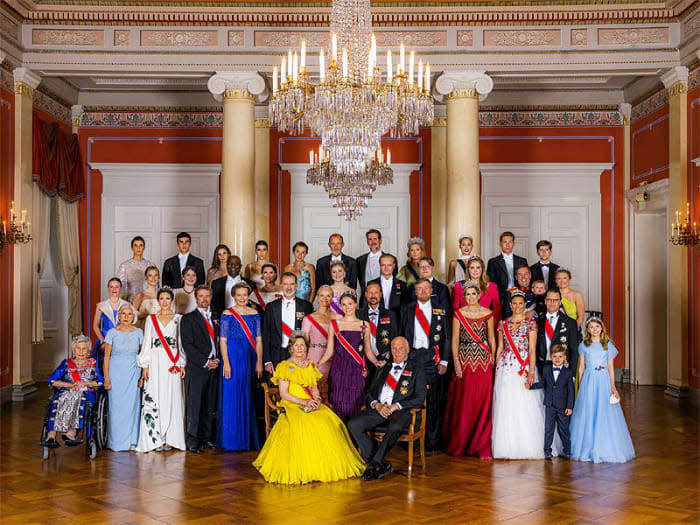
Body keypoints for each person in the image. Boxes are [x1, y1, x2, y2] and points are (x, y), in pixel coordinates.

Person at [253, 331, 366, 484]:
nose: (300, 349)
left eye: (303, 346)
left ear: (306, 348)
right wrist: (303, 402)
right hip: (293, 403)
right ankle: (307, 467)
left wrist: (317, 399)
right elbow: (284, 394)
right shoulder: (285, 367)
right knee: (305, 424)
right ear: (291, 348)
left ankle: (324, 465)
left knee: (327, 421)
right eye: (296, 346)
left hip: (310, 402)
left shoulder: (310, 365)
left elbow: (314, 388)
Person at [348, 337, 427, 481]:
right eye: (394, 349)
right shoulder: (383, 367)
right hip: (381, 409)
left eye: (400, 348)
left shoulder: (416, 369)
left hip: (402, 411)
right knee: (354, 424)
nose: (397, 352)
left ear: (407, 350)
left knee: (395, 426)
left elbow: (420, 398)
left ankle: (374, 464)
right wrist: (377, 405)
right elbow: (369, 394)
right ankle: (381, 463)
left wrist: (396, 406)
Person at [492, 292, 560, 459]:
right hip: (506, 367)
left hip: (523, 365)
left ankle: (529, 444)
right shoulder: (503, 324)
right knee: (506, 404)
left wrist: (530, 371)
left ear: (524, 305)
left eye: (520, 303)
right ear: (510, 305)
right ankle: (507, 446)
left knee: (526, 403)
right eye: (514, 303)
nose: (517, 306)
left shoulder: (531, 323)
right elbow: (500, 347)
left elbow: (532, 348)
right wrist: (496, 367)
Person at [442, 281, 496, 459]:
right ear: (463, 297)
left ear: (479, 295)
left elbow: (492, 339)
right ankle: (463, 441)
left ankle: (480, 443)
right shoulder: (458, 314)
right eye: (468, 294)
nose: (471, 297)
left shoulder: (488, 313)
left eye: (474, 294)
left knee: (482, 402)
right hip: (465, 361)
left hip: (483, 362)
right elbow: (455, 341)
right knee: (465, 402)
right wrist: (456, 363)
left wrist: (493, 358)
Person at [570, 318, 635, 463]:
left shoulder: (607, 346)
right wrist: (580, 387)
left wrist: (613, 386)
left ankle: (604, 446)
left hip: (603, 381)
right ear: (587, 330)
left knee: (603, 410)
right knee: (588, 410)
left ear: (602, 328)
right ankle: (587, 446)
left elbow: (611, 368)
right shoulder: (584, 346)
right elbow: (581, 368)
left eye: (597, 326)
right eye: (591, 327)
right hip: (589, 380)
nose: (594, 329)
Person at [400, 278, 450, 451]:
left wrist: (444, 360)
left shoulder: (440, 309)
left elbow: (447, 337)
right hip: (412, 357)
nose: (422, 291)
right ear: (415, 291)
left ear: (431, 291)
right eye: (419, 289)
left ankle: (432, 441)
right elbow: (400, 334)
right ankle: (411, 441)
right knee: (410, 398)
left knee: (433, 400)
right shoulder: (406, 309)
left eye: (426, 288)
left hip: (432, 358)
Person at [136, 288, 186, 453]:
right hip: (156, 362)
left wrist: (182, 363)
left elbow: (181, 343)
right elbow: (147, 343)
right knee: (155, 396)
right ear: (158, 301)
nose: (165, 301)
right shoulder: (151, 319)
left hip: (172, 364)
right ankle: (155, 439)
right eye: (162, 298)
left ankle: (171, 438)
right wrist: (145, 365)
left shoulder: (179, 319)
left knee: (173, 397)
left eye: (167, 298)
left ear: (172, 300)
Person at [319, 292, 383, 421]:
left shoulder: (364, 325)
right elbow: (329, 350)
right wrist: (317, 364)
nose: (347, 307)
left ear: (355, 305)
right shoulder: (334, 324)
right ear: (340, 307)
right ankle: (340, 438)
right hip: (339, 369)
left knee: (356, 404)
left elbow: (368, 350)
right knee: (338, 402)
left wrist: (376, 362)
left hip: (356, 370)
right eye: (343, 305)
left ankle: (354, 438)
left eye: (350, 304)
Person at [218, 282, 263, 451]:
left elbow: (259, 340)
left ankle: (246, 440)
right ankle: (231, 441)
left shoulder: (254, 314)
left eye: (245, 295)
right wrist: (226, 361)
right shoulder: (227, 314)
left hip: (249, 357)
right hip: (232, 358)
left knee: (247, 395)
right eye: (239, 295)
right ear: (233, 296)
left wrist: (259, 361)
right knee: (231, 396)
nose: (242, 298)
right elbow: (222, 340)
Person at [42, 335, 103, 449]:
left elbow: (100, 382)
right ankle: (51, 434)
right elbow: (52, 380)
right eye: (78, 348)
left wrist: (85, 384)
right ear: (73, 350)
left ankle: (71, 432)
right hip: (67, 391)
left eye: (84, 348)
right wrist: (70, 385)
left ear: (89, 351)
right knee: (60, 398)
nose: (80, 351)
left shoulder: (93, 364)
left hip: (85, 392)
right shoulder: (66, 363)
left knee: (78, 397)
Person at [180, 285, 219, 453]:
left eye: (207, 296)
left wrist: (217, 360)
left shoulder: (216, 317)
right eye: (201, 296)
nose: (205, 299)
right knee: (195, 405)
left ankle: (205, 438)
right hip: (198, 367)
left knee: (209, 404)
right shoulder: (188, 319)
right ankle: (192, 440)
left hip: (215, 365)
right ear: (196, 298)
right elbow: (187, 345)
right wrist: (205, 361)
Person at [103, 304, 143, 451]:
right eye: (123, 314)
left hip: (133, 371)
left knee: (133, 406)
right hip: (115, 372)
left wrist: (142, 377)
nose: (126, 317)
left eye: (129, 314)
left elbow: (143, 355)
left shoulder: (139, 332)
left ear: (133, 317)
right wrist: (106, 378)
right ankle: (117, 443)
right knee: (116, 407)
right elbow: (106, 357)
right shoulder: (111, 333)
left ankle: (132, 441)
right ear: (118, 316)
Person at [527, 344, 575, 459]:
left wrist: (570, 407)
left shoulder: (568, 373)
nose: (557, 359)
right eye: (554, 357)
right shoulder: (546, 369)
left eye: (560, 357)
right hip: (549, 405)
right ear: (550, 357)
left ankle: (567, 450)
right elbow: (544, 384)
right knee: (548, 429)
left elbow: (571, 392)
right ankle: (547, 451)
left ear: (564, 358)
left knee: (563, 429)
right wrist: (531, 386)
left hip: (563, 406)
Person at [262, 272, 313, 373]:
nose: (288, 287)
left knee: (296, 386)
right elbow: (266, 334)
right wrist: (267, 360)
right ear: (281, 286)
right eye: (285, 284)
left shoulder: (306, 306)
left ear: (296, 285)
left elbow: (309, 335)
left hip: (298, 354)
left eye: (292, 284)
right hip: (276, 354)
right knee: (276, 387)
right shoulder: (271, 307)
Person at [301, 285, 338, 400]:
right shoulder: (308, 318)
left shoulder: (338, 317)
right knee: (319, 390)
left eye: (328, 295)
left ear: (332, 298)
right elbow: (303, 343)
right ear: (317, 297)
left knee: (335, 388)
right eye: (322, 295)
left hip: (335, 357)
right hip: (316, 357)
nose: (325, 298)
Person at [91, 277, 133, 366]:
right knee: (104, 364)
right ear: (108, 288)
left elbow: (131, 324)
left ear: (120, 288)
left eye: (116, 287)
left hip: (122, 338)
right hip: (105, 338)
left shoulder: (127, 305)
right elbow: (95, 326)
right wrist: (103, 340)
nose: (114, 289)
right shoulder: (101, 305)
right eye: (111, 287)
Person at [536, 289, 579, 375]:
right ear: (545, 301)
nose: (552, 303)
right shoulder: (537, 321)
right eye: (549, 300)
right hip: (542, 366)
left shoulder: (570, 322)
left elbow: (574, 350)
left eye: (555, 300)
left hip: (563, 367)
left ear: (560, 302)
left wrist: (572, 374)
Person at [357, 282, 398, 363]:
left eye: (376, 292)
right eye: (370, 293)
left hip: (384, 358)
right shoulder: (358, 314)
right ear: (365, 294)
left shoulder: (390, 314)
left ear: (380, 294)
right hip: (362, 358)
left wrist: (387, 359)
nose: (373, 296)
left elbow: (394, 339)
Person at [452, 256, 501, 325]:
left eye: (478, 268)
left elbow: (497, 311)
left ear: (482, 269)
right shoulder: (459, 286)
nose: (475, 270)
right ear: (468, 269)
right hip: (465, 326)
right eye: (472, 268)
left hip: (486, 326)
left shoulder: (492, 287)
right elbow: (455, 310)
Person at [486, 231, 528, 310]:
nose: (507, 245)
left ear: (513, 243)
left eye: (510, 242)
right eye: (505, 242)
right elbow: (491, 283)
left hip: (519, 295)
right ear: (500, 244)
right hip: (501, 297)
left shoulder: (522, 260)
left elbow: (526, 279)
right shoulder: (493, 262)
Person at [210, 255, 257, 321]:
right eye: (230, 264)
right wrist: (216, 319)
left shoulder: (251, 284)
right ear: (226, 266)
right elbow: (213, 304)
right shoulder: (217, 283)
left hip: (245, 321)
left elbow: (254, 306)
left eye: (236, 264)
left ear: (240, 266)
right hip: (223, 321)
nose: (233, 266)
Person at [368, 253, 407, 323]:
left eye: (389, 265)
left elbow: (405, 308)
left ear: (394, 266)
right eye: (383, 265)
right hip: (376, 321)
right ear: (379, 266)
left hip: (397, 321)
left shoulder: (402, 285)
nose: (386, 268)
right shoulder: (371, 284)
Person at [116, 236, 156, 302]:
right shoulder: (125, 266)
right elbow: (120, 287)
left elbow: (156, 286)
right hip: (130, 302)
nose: (138, 248)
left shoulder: (150, 265)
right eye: (135, 245)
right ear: (132, 248)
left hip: (148, 301)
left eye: (141, 245)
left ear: (144, 247)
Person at [356, 229, 389, 301]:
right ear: (367, 242)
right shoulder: (360, 260)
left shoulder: (390, 259)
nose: (373, 242)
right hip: (365, 300)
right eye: (370, 239)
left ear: (380, 241)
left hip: (384, 299)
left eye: (375, 239)